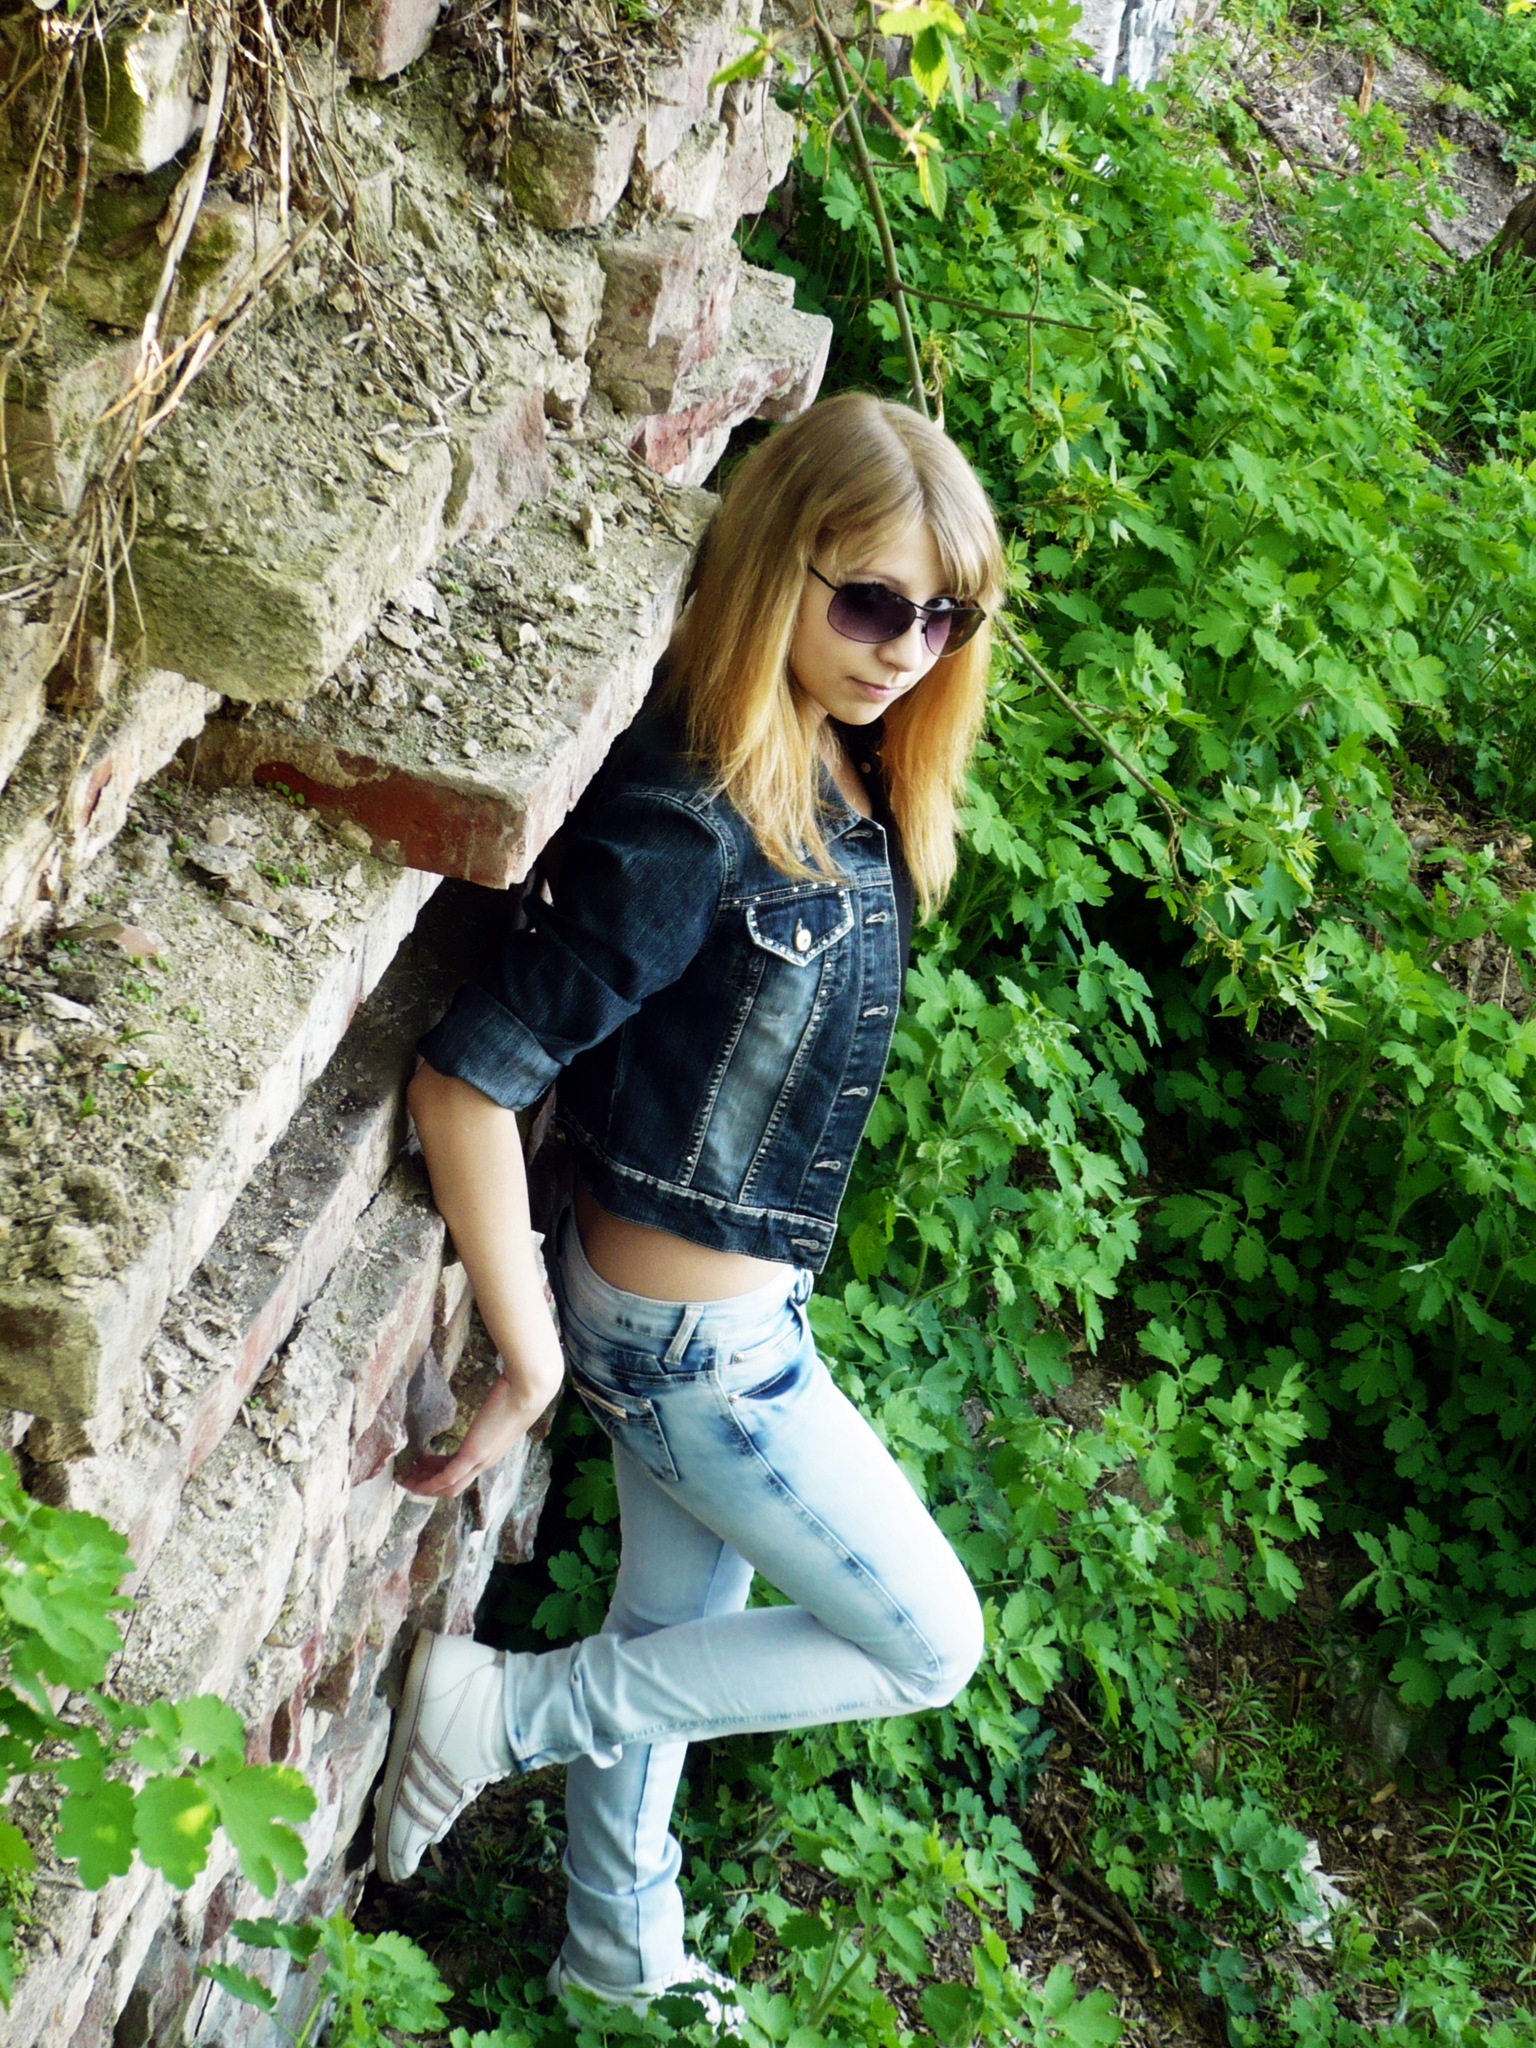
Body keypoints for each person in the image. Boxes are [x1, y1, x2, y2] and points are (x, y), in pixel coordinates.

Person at [373, 390, 1005, 2026]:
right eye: (871, 603)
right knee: (929, 1643)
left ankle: (618, 1956)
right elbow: (468, 1077)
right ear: (778, 566)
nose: (907, 650)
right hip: (690, 1355)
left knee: (671, 1629)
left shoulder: (844, 766)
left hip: (724, 1316)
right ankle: (500, 1719)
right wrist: (528, 1360)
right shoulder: (694, 816)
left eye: (944, 617)